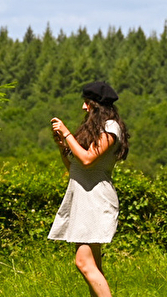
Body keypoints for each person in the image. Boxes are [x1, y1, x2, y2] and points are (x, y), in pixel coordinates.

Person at [48, 79, 130, 297]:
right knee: (93, 266)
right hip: (84, 199)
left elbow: (86, 160)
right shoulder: (97, 129)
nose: (84, 107)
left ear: (98, 105)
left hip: (95, 199)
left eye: (87, 103)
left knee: (83, 262)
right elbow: (75, 167)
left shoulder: (111, 128)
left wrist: (66, 133)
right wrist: (62, 147)